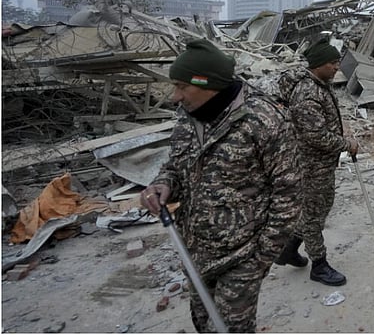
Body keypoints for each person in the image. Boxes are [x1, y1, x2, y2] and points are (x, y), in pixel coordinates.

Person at [141, 39, 301, 333]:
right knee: (203, 323)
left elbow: (289, 196)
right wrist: (163, 184)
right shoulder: (189, 116)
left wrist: (260, 258)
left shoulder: (264, 120)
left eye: (182, 87)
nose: (175, 97)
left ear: (208, 84)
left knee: (230, 329)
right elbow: (177, 165)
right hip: (195, 252)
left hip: (242, 257)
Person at [274, 37, 359, 287]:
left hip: (320, 164)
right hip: (311, 166)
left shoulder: (320, 85)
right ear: (318, 64)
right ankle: (319, 265)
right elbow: (315, 135)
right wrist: (347, 144)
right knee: (314, 215)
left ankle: (289, 249)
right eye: (332, 63)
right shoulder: (308, 93)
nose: (336, 67)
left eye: (337, 62)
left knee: (317, 210)